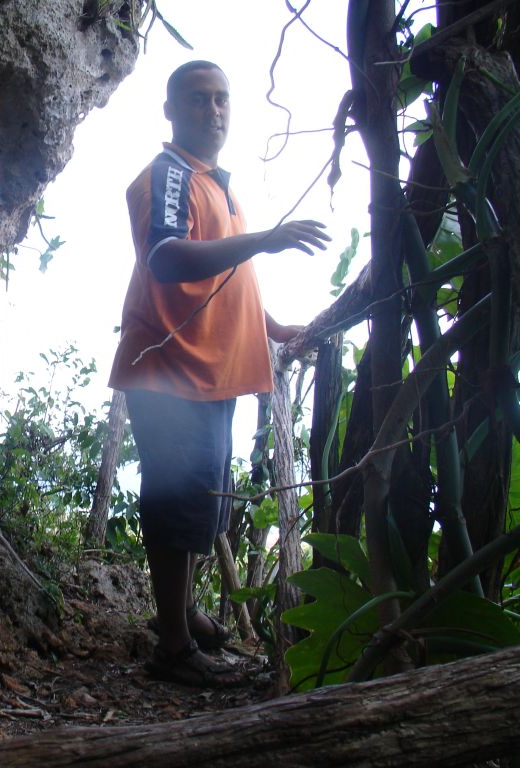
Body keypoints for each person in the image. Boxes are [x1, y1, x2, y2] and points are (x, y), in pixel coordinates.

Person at [107, 60, 330, 687]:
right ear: (172, 111)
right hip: (172, 369)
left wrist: (275, 327)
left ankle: (179, 614)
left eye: (222, 100)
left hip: (210, 372)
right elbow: (167, 256)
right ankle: (174, 648)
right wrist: (264, 239)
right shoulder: (170, 174)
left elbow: (229, 283)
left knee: (200, 501)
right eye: (200, 100)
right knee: (177, 502)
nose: (215, 111)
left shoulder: (216, 184)